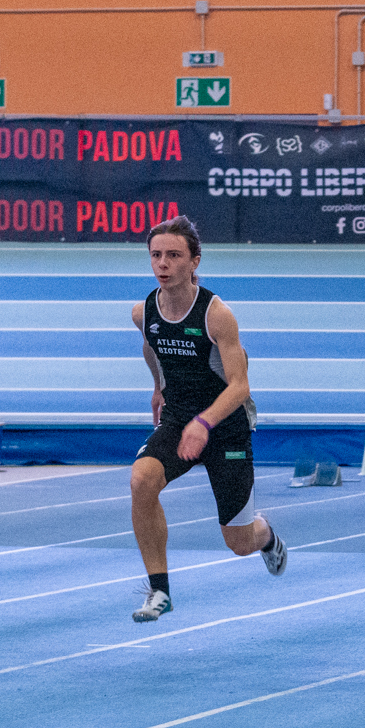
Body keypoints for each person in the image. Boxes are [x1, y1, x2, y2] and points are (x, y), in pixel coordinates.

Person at [126, 217, 286, 622]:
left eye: (173, 255)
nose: (163, 264)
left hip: (226, 426)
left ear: (194, 261)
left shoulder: (217, 315)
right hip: (178, 418)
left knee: (239, 542)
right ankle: (159, 591)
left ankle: (265, 534)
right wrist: (158, 387)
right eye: (156, 255)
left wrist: (204, 424)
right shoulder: (143, 312)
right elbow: (151, 347)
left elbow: (240, 386)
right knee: (142, 480)